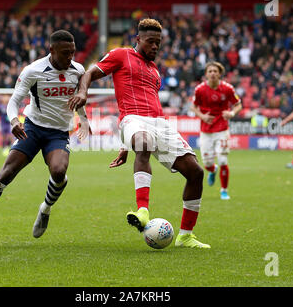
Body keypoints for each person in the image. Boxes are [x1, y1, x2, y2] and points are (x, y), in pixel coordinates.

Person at [69, 18, 210, 249]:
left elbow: (152, 103)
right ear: (138, 39)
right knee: (143, 142)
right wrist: (83, 92)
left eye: (158, 42)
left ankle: (185, 236)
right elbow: (88, 73)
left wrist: (125, 146)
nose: (155, 46)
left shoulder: (155, 71)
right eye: (150, 42)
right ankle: (143, 210)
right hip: (133, 118)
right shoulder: (121, 55)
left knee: (195, 172)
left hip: (160, 123)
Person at [0, 30, 91, 244]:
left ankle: (45, 209)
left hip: (57, 132)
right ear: (52, 51)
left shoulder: (78, 70)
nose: (70, 58)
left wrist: (84, 120)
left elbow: (78, 100)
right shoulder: (33, 71)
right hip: (32, 128)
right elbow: (13, 101)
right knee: (6, 173)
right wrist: (13, 121)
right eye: (65, 53)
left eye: (73, 53)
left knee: (59, 171)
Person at [190, 61, 242, 200]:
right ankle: (213, 170)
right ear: (206, 74)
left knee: (223, 160)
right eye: (210, 71)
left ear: (220, 74)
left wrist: (231, 113)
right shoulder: (200, 89)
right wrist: (202, 116)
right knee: (207, 163)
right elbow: (193, 106)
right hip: (206, 130)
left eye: (215, 71)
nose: (213, 73)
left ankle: (224, 190)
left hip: (222, 129)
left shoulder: (227, 88)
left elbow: (238, 105)